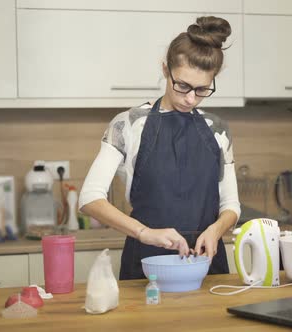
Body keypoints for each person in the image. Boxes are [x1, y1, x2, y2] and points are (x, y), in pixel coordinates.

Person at [79, 16, 241, 280]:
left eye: (201, 90)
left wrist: (217, 230)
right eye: (183, 85)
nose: (190, 98)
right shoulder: (129, 124)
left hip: (206, 263)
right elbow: (89, 198)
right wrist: (145, 233)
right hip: (147, 260)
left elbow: (231, 204)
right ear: (165, 70)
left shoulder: (217, 129)